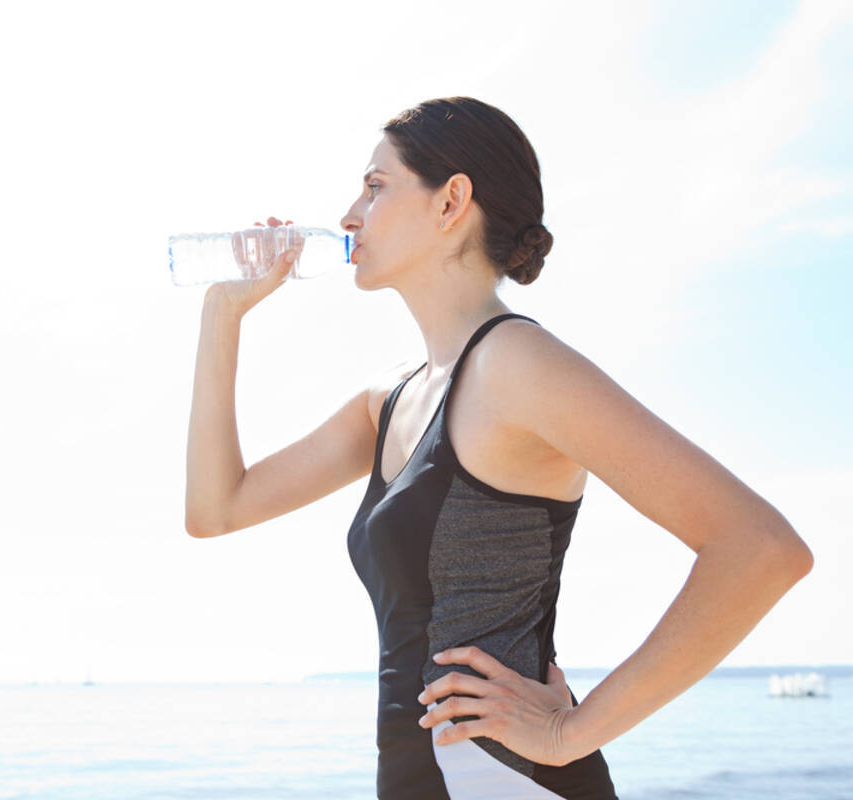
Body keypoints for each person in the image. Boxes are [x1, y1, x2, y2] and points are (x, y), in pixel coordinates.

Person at [183, 96, 813, 799]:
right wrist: (223, 312)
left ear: (451, 200)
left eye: (375, 185)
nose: (349, 215)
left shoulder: (517, 366)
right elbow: (216, 509)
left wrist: (571, 732)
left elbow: (760, 548)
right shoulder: (387, 401)